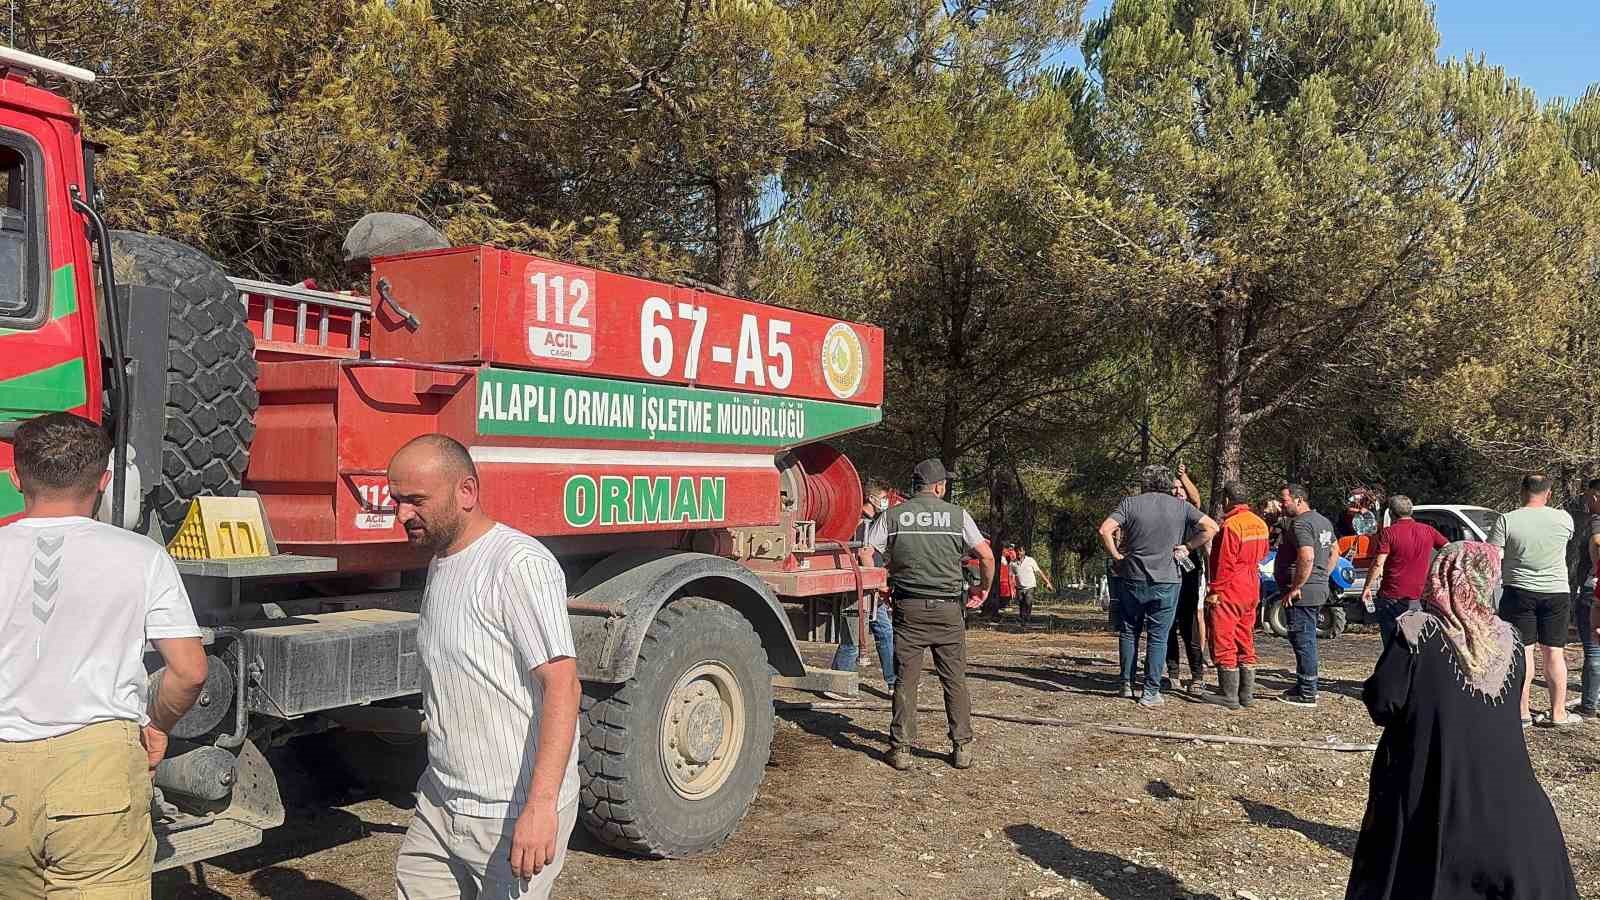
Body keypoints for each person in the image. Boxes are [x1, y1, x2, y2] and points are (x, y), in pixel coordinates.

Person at [0, 412, 207, 898]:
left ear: (14, 477)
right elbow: (190, 670)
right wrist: (156, 727)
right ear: (105, 480)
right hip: (97, 769)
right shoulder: (141, 556)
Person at [388, 434, 582, 899]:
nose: (401, 515)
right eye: (396, 500)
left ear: (466, 492)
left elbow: (563, 685)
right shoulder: (442, 559)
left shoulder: (517, 564)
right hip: (441, 802)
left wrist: (540, 808)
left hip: (509, 812)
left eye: (415, 500)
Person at [1345, 542, 1579, 900]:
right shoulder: (1511, 640)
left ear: (1440, 575)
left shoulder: (1416, 632)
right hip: (1513, 805)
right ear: (1489, 582)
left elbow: (1382, 703)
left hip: (1431, 791)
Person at [865, 458, 993, 772]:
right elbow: (986, 556)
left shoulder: (892, 515)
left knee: (906, 681)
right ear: (938, 487)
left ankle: (902, 750)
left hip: (908, 609)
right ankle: (962, 747)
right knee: (954, 680)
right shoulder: (957, 516)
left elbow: (866, 550)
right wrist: (984, 591)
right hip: (949, 609)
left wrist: (879, 583)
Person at [1097, 464, 1219, 707]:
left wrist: (1117, 556)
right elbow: (1212, 527)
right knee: (1159, 636)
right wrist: (1188, 546)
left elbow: (1105, 530)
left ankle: (1126, 684)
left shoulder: (1129, 504)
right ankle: (1151, 691)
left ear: (1145, 483)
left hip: (1133, 577)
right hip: (1167, 578)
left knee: (1129, 631)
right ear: (1167, 484)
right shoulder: (1182, 506)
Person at [1489, 473, 1578, 727]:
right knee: (1554, 653)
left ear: (1522, 491)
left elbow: (1493, 556)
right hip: (1557, 592)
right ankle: (1558, 713)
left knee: (1523, 652)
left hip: (1519, 591)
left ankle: (1522, 712)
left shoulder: (1507, 520)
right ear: (1548, 493)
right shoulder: (1564, 519)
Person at [1203, 481, 1270, 710]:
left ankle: (1229, 695)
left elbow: (1224, 563)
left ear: (1227, 500)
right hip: (1253, 584)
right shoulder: (1260, 524)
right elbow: (1263, 553)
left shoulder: (1231, 525)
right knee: (1245, 636)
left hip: (1232, 586)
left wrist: (1215, 591)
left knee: (1223, 637)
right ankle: (1247, 695)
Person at [827, 479, 895, 698]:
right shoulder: (862, 524)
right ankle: (838, 684)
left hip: (867, 588)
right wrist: (877, 581)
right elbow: (863, 555)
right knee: (854, 637)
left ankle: (893, 682)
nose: (886, 502)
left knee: (883, 632)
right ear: (871, 498)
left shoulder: (868, 522)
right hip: (861, 589)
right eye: (883, 497)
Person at [1274, 483, 1336, 708]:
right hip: (1317, 587)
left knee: (1304, 639)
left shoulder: (1301, 523)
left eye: (1285, 500)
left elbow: (1307, 556)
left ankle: (1308, 692)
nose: (1282, 504)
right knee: (1301, 637)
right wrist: (1323, 575)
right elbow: (1334, 550)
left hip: (1304, 592)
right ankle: (1302, 684)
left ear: (1299, 499)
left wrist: (1298, 585)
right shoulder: (1323, 521)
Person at [1360, 495, 1448, 647]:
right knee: (1415, 643)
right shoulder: (1428, 531)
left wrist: (1367, 587)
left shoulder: (1389, 533)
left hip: (1391, 596)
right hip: (1418, 597)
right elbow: (1448, 549)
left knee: (1391, 645)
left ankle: (1394, 670)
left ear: (1391, 513)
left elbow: (1378, 563)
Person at [1165, 464, 1208, 692]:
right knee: (1169, 627)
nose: (1178, 491)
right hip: (1166, 574)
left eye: (1181, 488)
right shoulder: (1165, 511)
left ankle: (1197, 676)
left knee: (1190, 627)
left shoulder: (1191, 512)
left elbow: (1196, 499)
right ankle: (1172, 674)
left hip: (1189, 573)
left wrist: (1183, 476)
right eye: (1173, 488)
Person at [1566, 478, 1600, 716]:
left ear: (1596, 496)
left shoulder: (1597, 520)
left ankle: (1589, 704)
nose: (1586, 501)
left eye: (1588, 496)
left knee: (1594, 651)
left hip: (1593, 589)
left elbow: (1597, 542)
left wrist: (1597, 568)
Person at [1012, 545, 1052, 626]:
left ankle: (1027, 617)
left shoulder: (1030, 560)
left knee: (1028, 602)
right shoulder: (1013, 563)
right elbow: (1012, 576)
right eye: (1017, 551)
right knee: (1021, 604)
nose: (1018, 553)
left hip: (1030, 586)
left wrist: (1047, 582)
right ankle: (1023, 620)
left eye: (1020, 551)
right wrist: (1012, 588)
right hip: (1019, 587)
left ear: (1024, 552)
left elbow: (1039, 572)